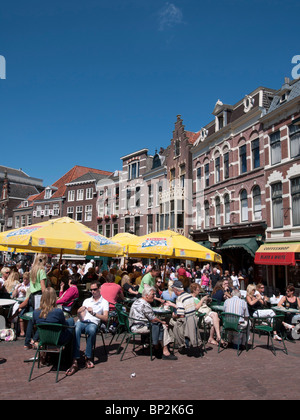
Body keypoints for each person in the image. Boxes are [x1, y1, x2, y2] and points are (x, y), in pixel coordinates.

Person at [66, 280, 109, 375]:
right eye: (91, 290)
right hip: (82, 322)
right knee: (76, 327)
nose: (93, 291)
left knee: (92, 330)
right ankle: (75, 358)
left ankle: (88, 357)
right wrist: (78, 312)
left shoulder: (104, 302)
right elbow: (81, 317)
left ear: (100, 289)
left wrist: (94, 313)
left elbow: (105, 318)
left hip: (93, 322)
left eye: (95, 289)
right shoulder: (87, 300)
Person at [129, 285, 177, 360]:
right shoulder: (145, 304)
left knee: (158, 324)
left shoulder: (137, 301)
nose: (154, 296)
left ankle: (157, 347)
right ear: (146, 296)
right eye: (153, 295)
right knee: (162, 326)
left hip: (134, 325)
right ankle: (165, 351)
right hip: (139, 326)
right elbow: (153, 319)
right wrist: (162, 322)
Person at [168, 280, 201, 355]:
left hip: (186, 321)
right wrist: (173, 305)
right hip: (193, 319)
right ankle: (186, 343)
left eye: (173, 290)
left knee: (172, 323)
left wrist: (174, 315)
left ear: (176, 290)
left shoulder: (179, 298)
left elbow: (181, 315)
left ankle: (180, 344)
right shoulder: (189, 295)